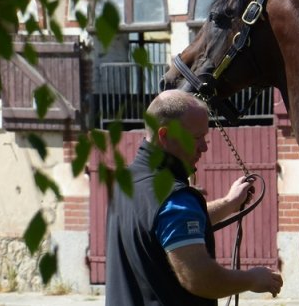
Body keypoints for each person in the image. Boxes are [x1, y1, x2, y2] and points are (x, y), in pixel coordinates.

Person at [105, 90, 283, 305]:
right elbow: (199, 278)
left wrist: (230, 203)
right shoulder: (174, 199)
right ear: (164, 136)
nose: (204, 147)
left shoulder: (126, 183)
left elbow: (164, 227)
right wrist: (252, 279)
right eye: (197, 137)